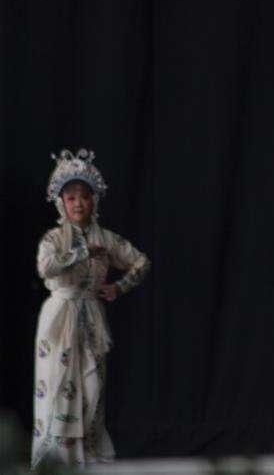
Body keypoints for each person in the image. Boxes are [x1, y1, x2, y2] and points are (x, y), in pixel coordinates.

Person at [31, 149, 150, 468]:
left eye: (84, 196)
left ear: (94, 200)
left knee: (92, 386)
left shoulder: (106, 239)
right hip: (60, 317)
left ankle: (91, 455)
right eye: (71, 198)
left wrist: (118, 287)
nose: (78, 204)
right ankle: (58, 460)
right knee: (57, 385)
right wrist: (81, 253)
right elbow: (45, 267)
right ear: (61, 202)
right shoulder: (54, 239)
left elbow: (140, 262)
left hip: (91, 316)